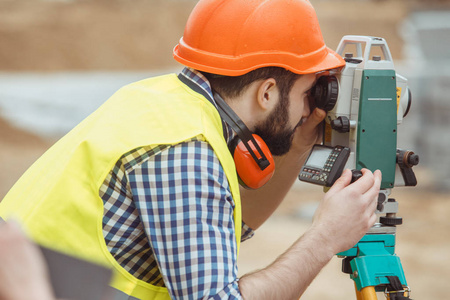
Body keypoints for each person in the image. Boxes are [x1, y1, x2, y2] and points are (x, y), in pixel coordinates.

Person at [0, 0, 382, 299]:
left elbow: (238, 225)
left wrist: (298, 141)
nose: (311, 106)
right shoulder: (185, 151)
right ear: (267, 93)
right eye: (306, 92)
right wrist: (325, 239)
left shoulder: (161, 100)